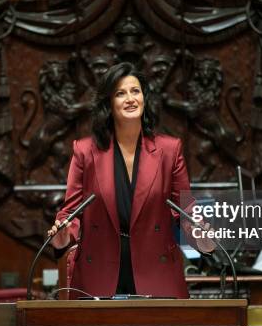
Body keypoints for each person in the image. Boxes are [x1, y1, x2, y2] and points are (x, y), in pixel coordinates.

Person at [48, 62, 213, 299]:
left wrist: (200, 235)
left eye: (135, 91)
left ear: (145, 98)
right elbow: (70, 213)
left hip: (156, 270)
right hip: (100, 273)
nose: (130, 98)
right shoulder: (85, 151)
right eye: (120, 93)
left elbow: (185, 211)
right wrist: (63, 235)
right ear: (109, 104)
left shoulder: (169, 149)